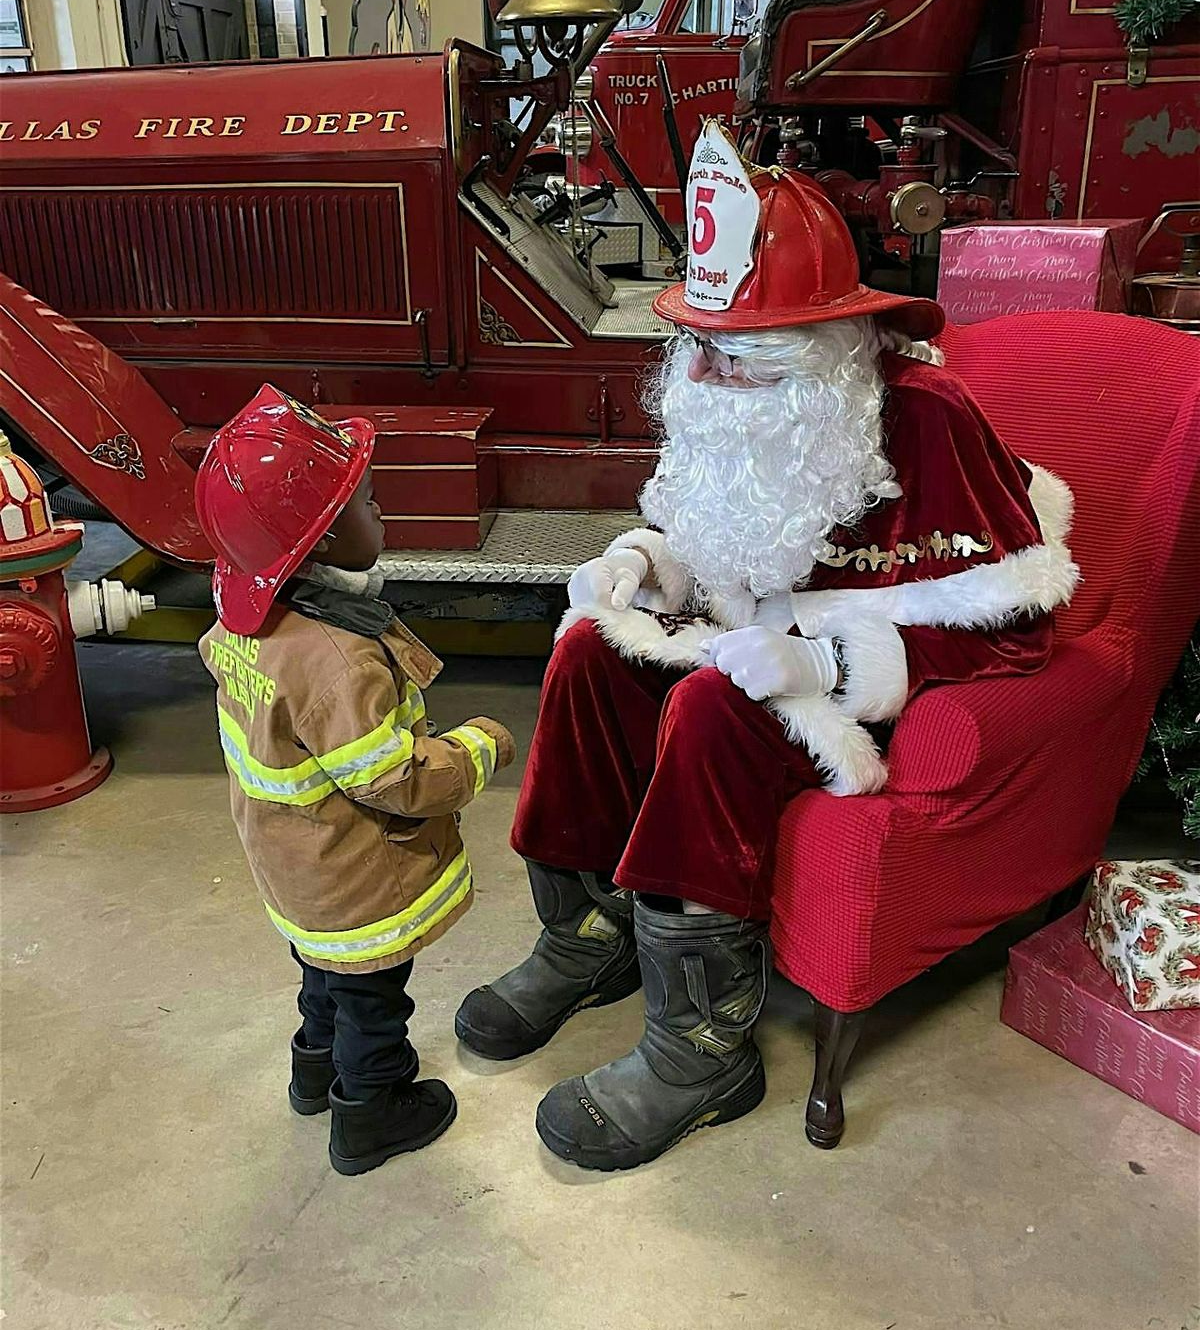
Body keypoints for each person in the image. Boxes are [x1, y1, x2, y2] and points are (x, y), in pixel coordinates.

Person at [456, 128, 1077, 1173]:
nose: (698, 368)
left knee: (712, 709)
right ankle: (588, 936)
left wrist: (833, 669)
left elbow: (1021, 625)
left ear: (828, 341)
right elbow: (719, 534)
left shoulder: (926, 421)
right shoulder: (724, 396)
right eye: (693, 340)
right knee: (587, 656)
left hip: (844, 674)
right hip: (747, 637)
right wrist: (646, 565)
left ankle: (705, 1048)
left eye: (735, 348)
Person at [196, 388, 514, 1175]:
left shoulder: (245, 618)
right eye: (368, 502)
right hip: (350, 873)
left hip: (294, 868)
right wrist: (481, 746)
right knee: (374, 998)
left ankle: (313, 1070)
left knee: (320, 976)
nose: (383, 515)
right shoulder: (335, 661)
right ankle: (371, 1110)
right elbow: (395, 779)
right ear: (325, 537)